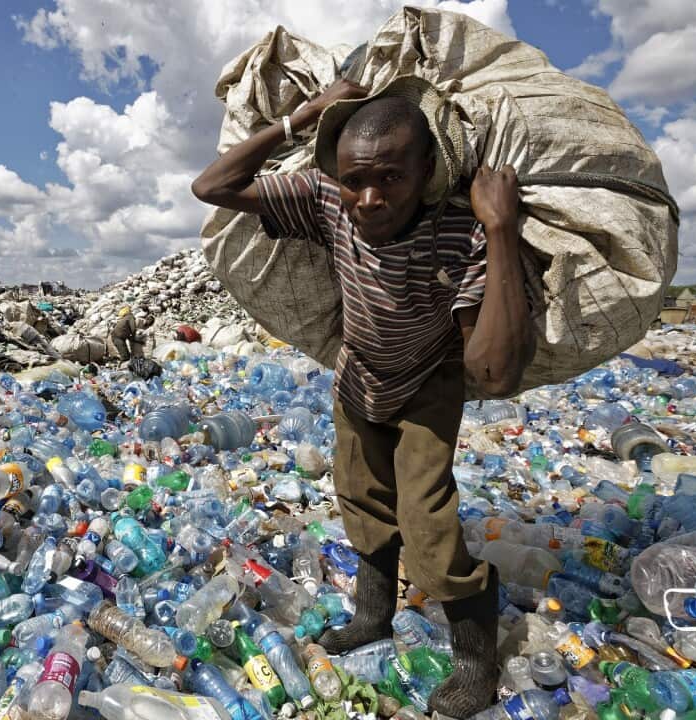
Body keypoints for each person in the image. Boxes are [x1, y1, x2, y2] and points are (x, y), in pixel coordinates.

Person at [192, 79, 535, 717]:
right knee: (360, 502)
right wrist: (304, 118)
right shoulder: (327, 202)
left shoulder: (460, 232)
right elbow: (211, 187)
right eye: (355, 180)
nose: (369, 199)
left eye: (390, 178)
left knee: (428, 523)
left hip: (428, 386)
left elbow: (491, 372)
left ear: (427, 170)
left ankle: (474, 660)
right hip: (358, 380)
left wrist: (502, 228)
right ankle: (371, 617)